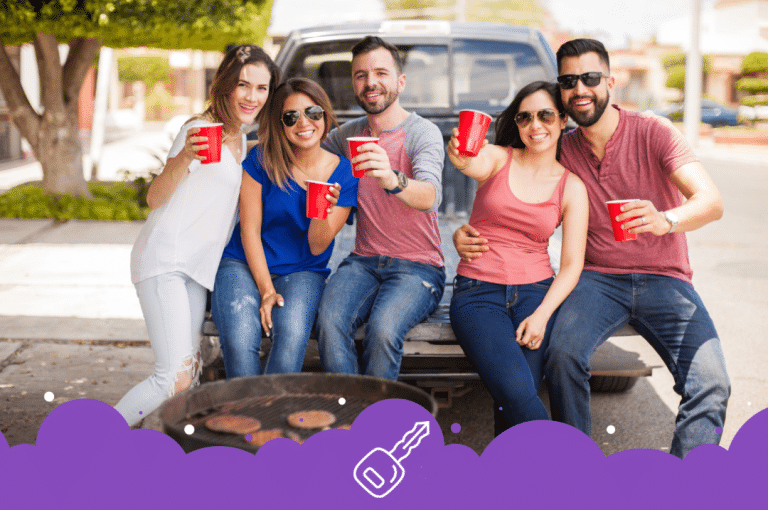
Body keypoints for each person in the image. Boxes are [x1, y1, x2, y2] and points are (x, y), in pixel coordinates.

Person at [454, 38, 730, 458]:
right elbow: (500, 179)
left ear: (611, 82)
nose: (580, 87)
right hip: (598, 280)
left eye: (590, 77)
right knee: (563, 356)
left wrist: (665, 219)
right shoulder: (558, 145)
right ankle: (575, 464)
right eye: (569, 80)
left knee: (712, 383)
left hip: (664, 278)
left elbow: (711, 202)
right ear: (563, 94)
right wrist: (463, 229)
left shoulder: (654, 131)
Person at [116, 45, 279, 427]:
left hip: (195, 270)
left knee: (187, 376)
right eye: (243, 84)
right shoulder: (198, 130)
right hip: (165, 260)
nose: (252, 96)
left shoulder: (239, 139)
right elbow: (155, 198)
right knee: (170, 377)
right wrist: (185, 156)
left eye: (261, 88)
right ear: (224, 85)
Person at [447, 81, 588, 430]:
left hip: (535, 295)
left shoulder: (572, 187)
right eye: (525, 118)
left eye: (545, 115)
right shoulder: (498, 157)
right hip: (478, 294)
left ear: (563, 120)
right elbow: (472, 162)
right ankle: (571, 467)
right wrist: (460, 155)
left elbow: (572, 265)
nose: (535, 125)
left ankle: (510, 479)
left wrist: (542, 315)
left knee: (510, 402)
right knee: (518, 392)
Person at [315, 36, 446, 381]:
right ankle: (349, 417)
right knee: (328, 324)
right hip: (363, 261)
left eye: (380, 73)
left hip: (418, 268)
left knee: (383, 330)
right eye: (360, 75)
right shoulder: (347, 136)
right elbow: (303, 151)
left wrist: (391, 178)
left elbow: (431, 195)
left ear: (400, 82)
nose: (370, 82)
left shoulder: (422, 133)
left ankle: (377, 426)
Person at [211, 77, 358, 378]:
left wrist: (321, 210)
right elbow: (249, 230)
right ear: (280, 125)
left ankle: (271, 416)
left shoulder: (345, 173)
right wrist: (266, 291)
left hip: (303, 269)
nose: (303, 122)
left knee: (290, 339)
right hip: (244, 262)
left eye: (312, 112)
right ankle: (246, 417)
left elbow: (317, 246)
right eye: (291, 117)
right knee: (240, 340)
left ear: (325, 115)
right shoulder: (262, 160)